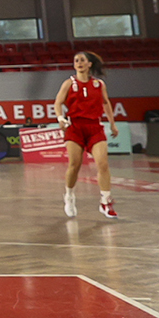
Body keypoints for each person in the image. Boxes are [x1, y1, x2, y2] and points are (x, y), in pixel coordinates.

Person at [53, 50, 120, 219]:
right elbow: (58, 103)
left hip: (94, 126)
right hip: (75, 126)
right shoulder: (69, 83)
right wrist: (60, 118)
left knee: (103, 164)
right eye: (76, 60)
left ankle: (105, 201)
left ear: (89, 64)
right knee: (75, 165)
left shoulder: (99, 84)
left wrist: (112, 123)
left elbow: (106, 103)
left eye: (82, 60)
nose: (79, 63)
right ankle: (69, 196)